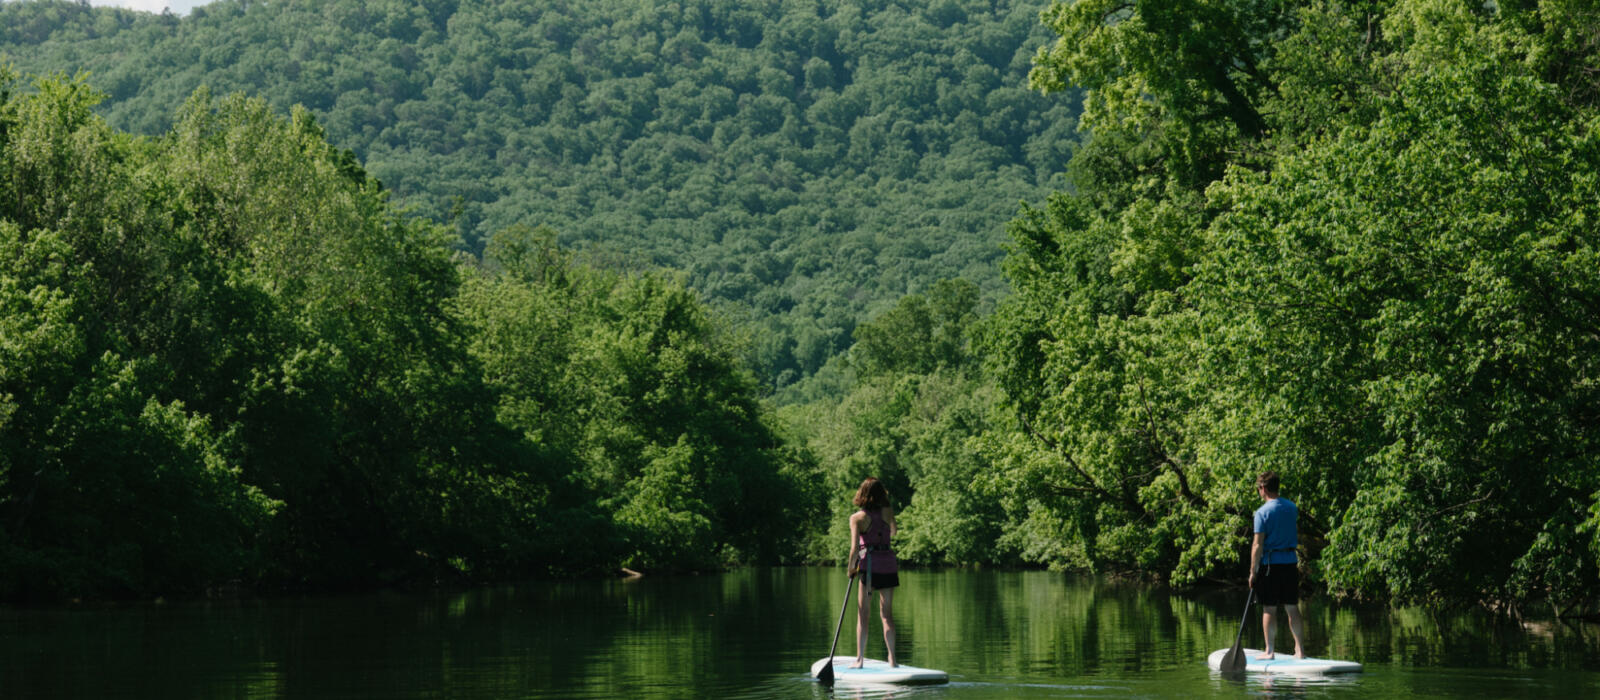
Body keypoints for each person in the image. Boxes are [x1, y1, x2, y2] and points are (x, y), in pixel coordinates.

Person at [1249, 471, 1307, 659]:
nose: (1259, 491)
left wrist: (1253, 572)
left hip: (1270, 566)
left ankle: (1269, 651)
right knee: (1292, 607)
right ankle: (1299, 650)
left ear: (1263, 488)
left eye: (1258, 488)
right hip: (1290, 562)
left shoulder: (1261, 513)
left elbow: (1257, 545)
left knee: (1269, 608)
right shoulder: (1291, 507)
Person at [846, 476, 898, 668]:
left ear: (862, 493)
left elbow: (854, 549)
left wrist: (851, 568)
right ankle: (892, 659)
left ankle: (859, 660)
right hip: (888, 565)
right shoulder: (888, 512)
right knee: (887, 615)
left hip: (869, 570)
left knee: (863, 614)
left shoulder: (857, 518)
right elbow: (894, 532)